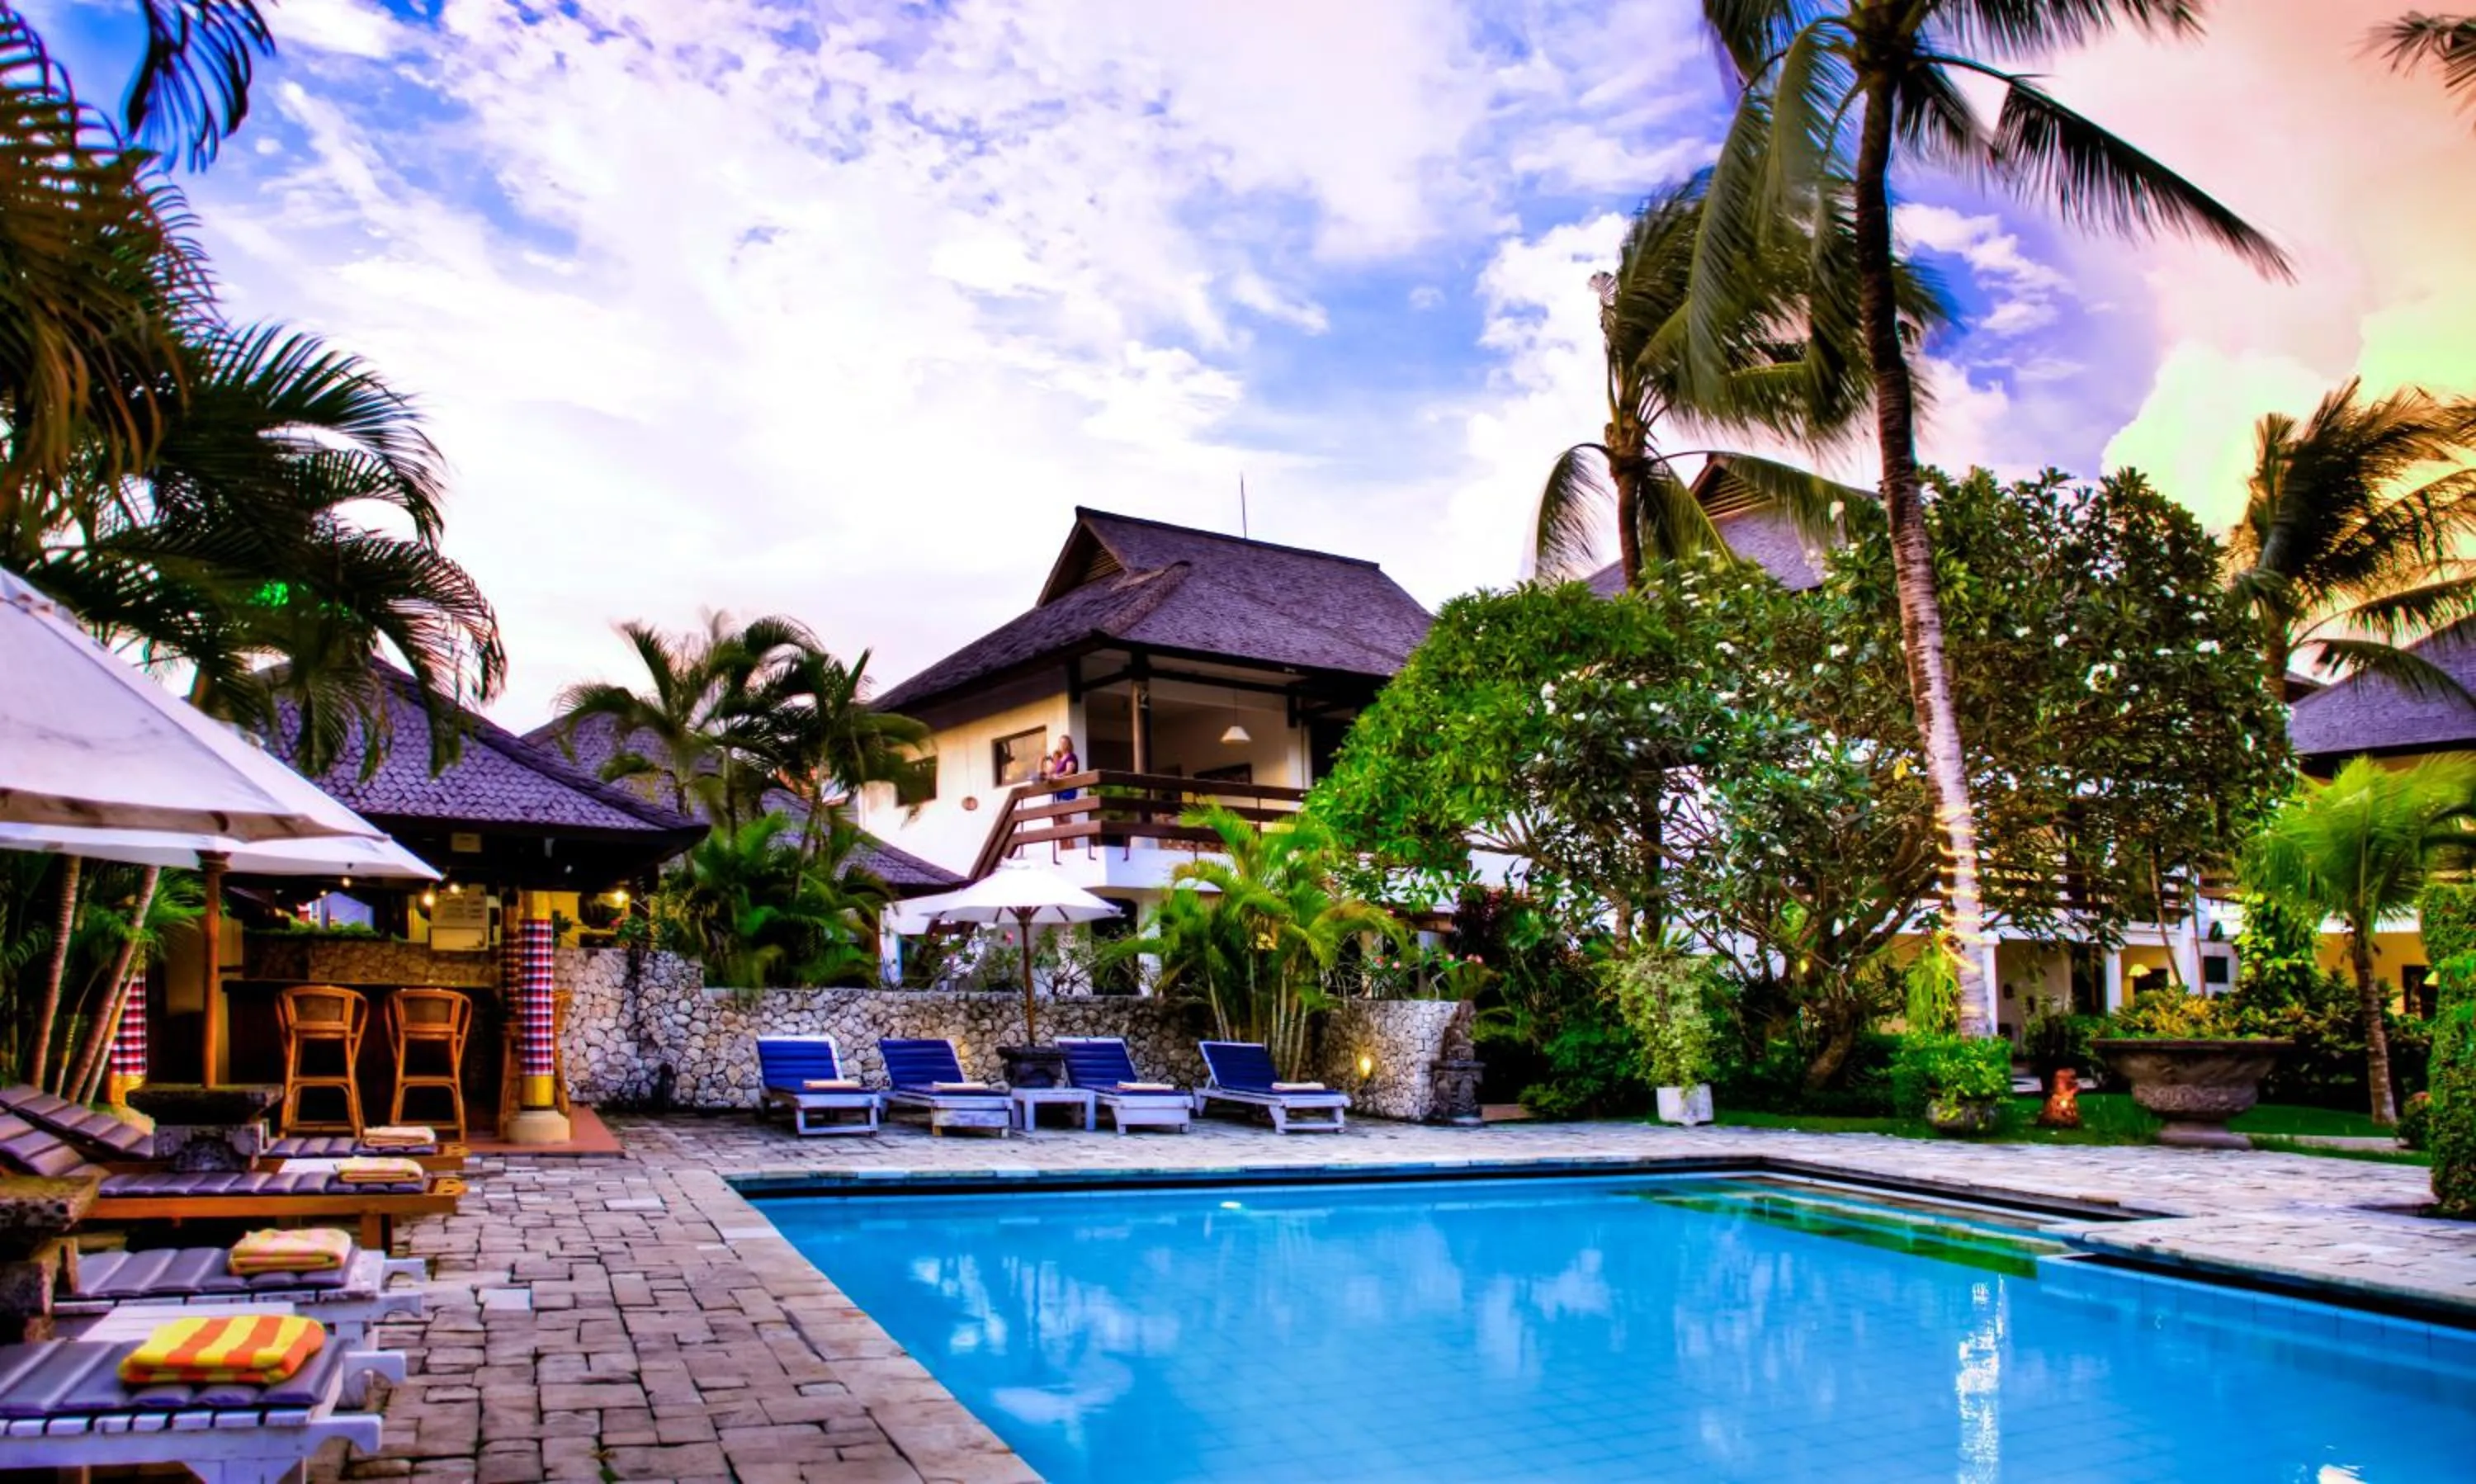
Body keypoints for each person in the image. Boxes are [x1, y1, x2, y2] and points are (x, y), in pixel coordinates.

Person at [1046, 734, 1080, 801]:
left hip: (1068, 789)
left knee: (1065, 806)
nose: (1062, 745)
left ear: (1069, 745)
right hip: (1059, 790)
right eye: (1060, 743)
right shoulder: (1059, 760)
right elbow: (1050, 771)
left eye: (1064, 743)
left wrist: (1058, 775)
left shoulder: (1071, 756)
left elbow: (1069, 771)